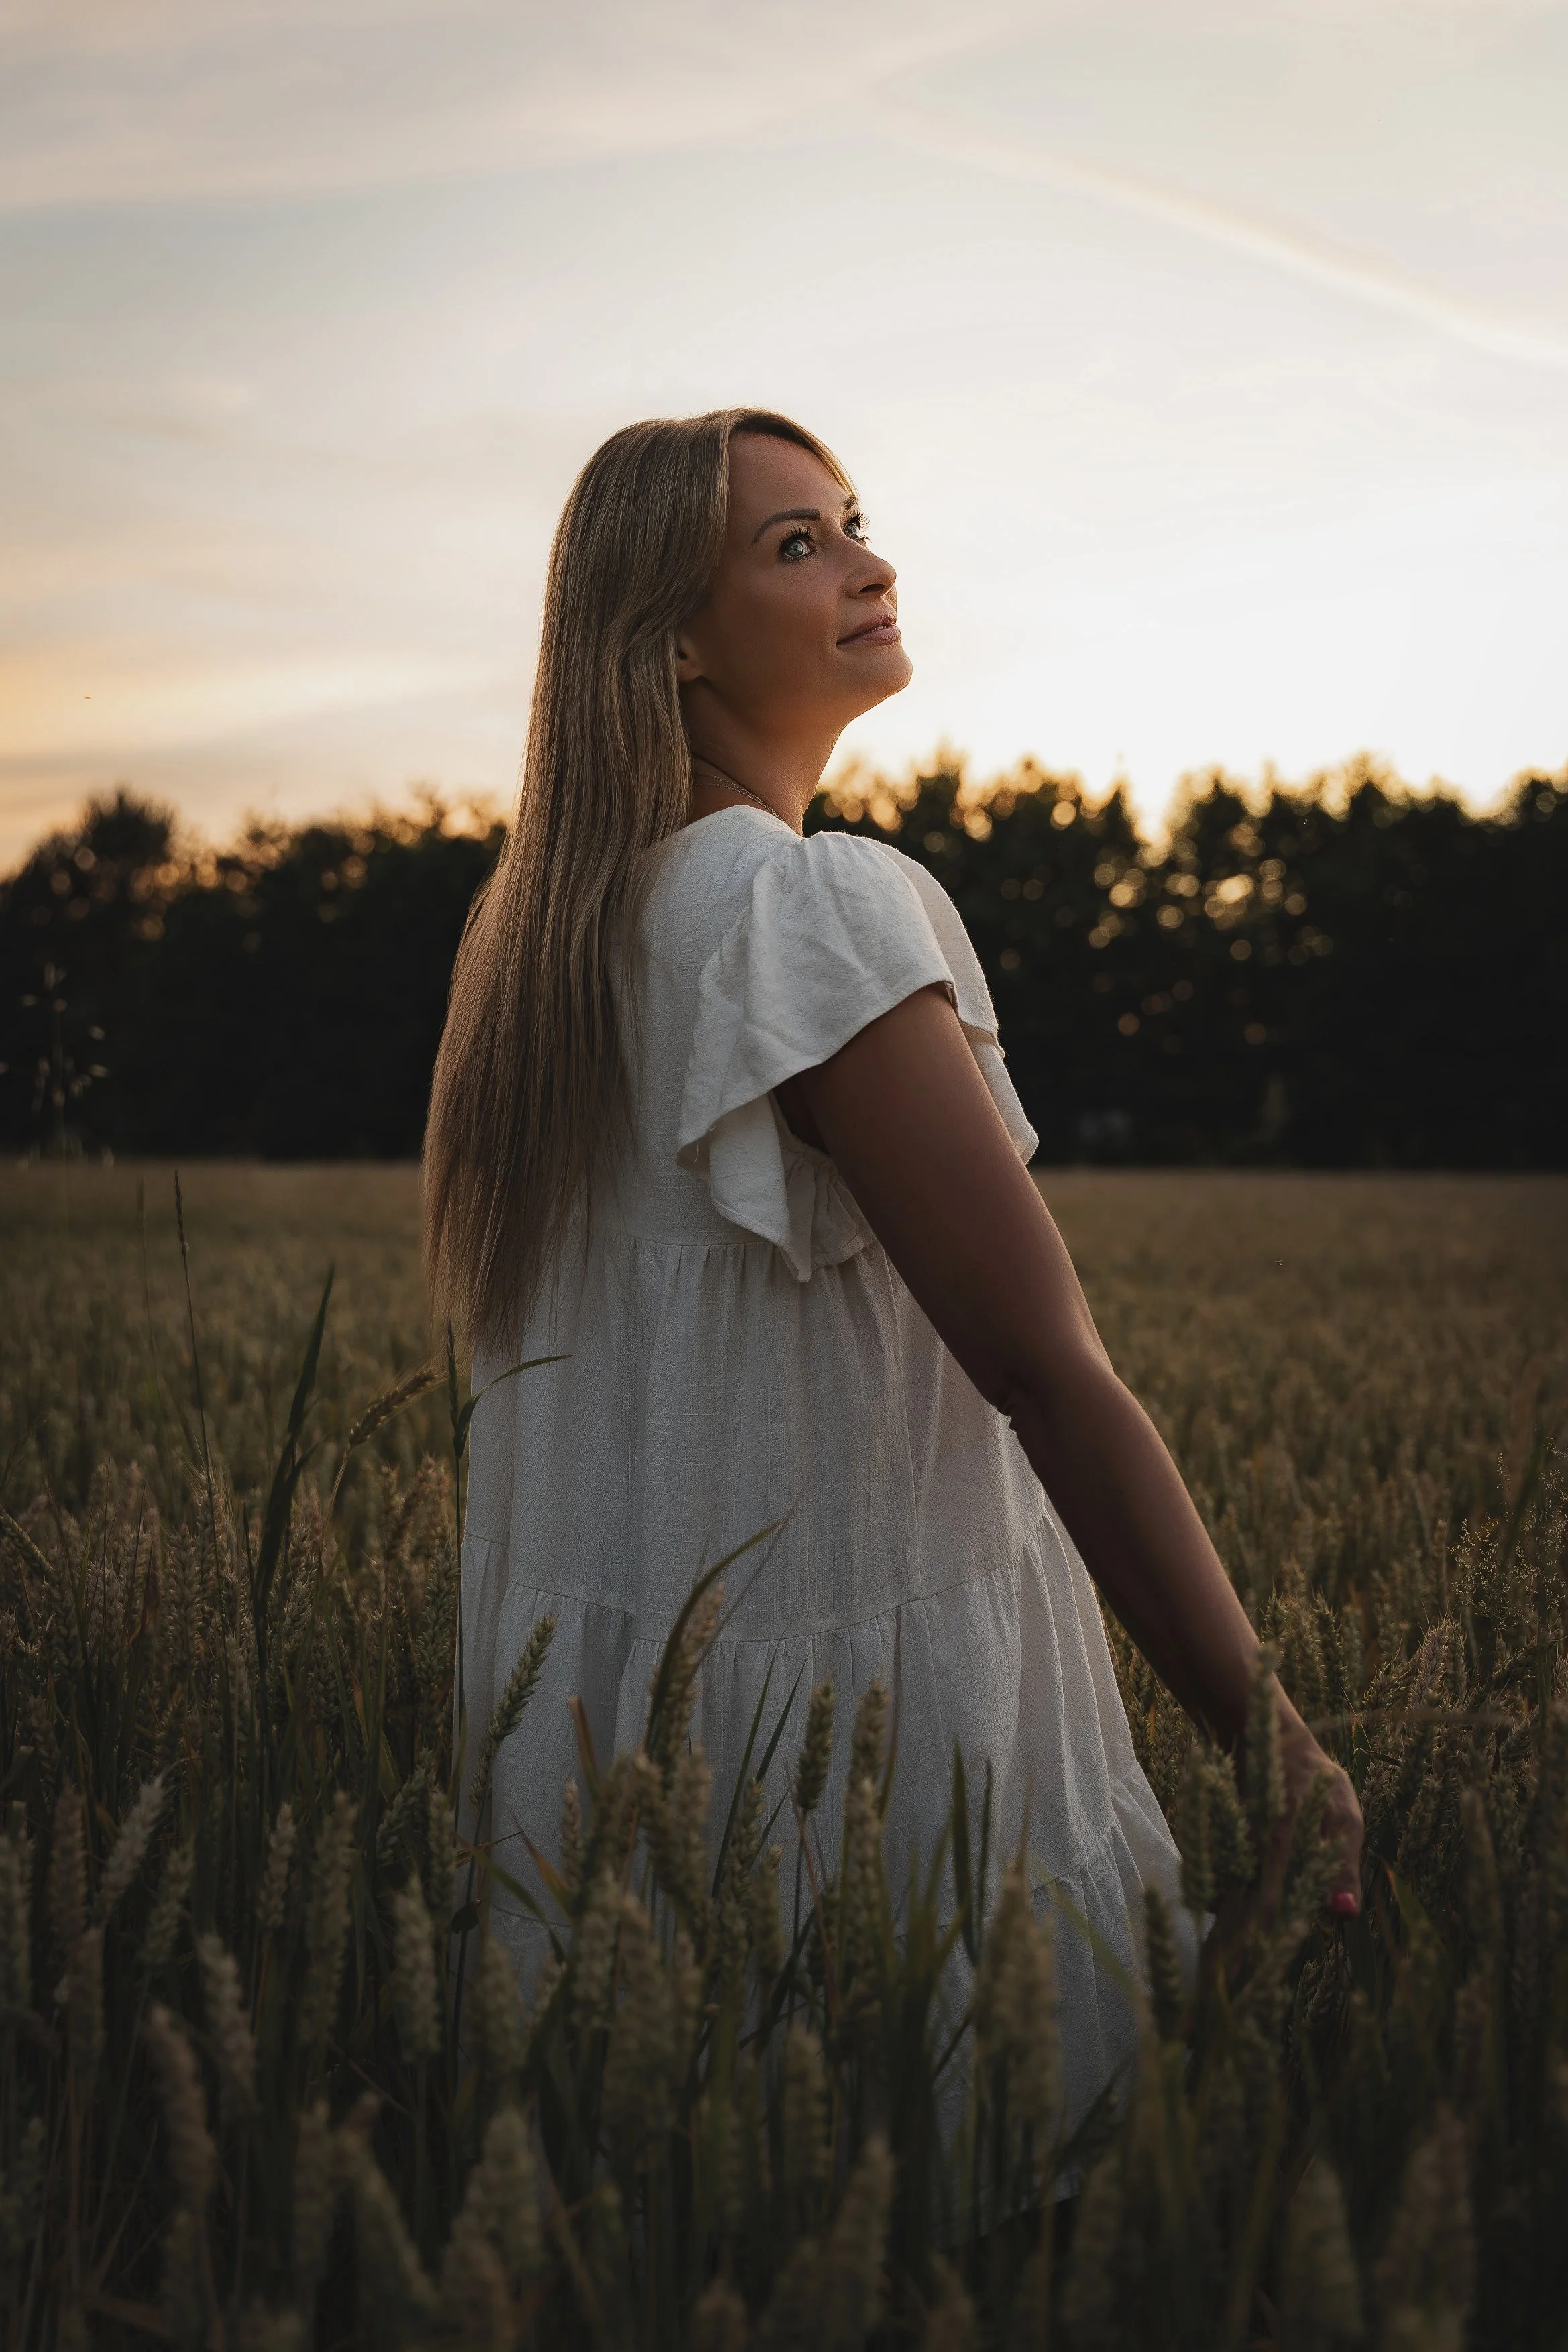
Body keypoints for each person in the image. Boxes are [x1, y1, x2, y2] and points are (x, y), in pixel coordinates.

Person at [423, 406, 1363, 2147]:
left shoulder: (552, 959)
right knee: (1006, 2183)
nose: (871, 562)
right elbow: (1047, 1368)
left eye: (856, 522)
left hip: (638, 1771)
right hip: (873, 1744)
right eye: (797, 544)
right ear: (673, 640)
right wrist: (1277, 1750)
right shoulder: (792, 910)